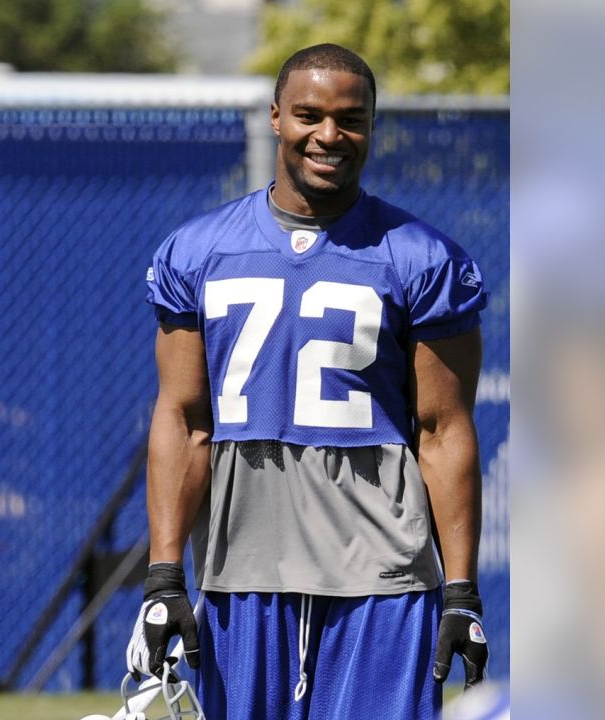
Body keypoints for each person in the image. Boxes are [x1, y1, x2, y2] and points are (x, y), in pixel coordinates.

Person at [126, 43, 489, 719]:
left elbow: (443, 430)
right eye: (309, 115)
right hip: (241, 570)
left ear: (372, 125)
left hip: (382, 576)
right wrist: (164, 573)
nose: (329, 135)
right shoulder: (200, 251)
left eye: (350, 118)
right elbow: (183, 419)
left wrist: (461, 590)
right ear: (275, 118)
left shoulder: (421, 257)